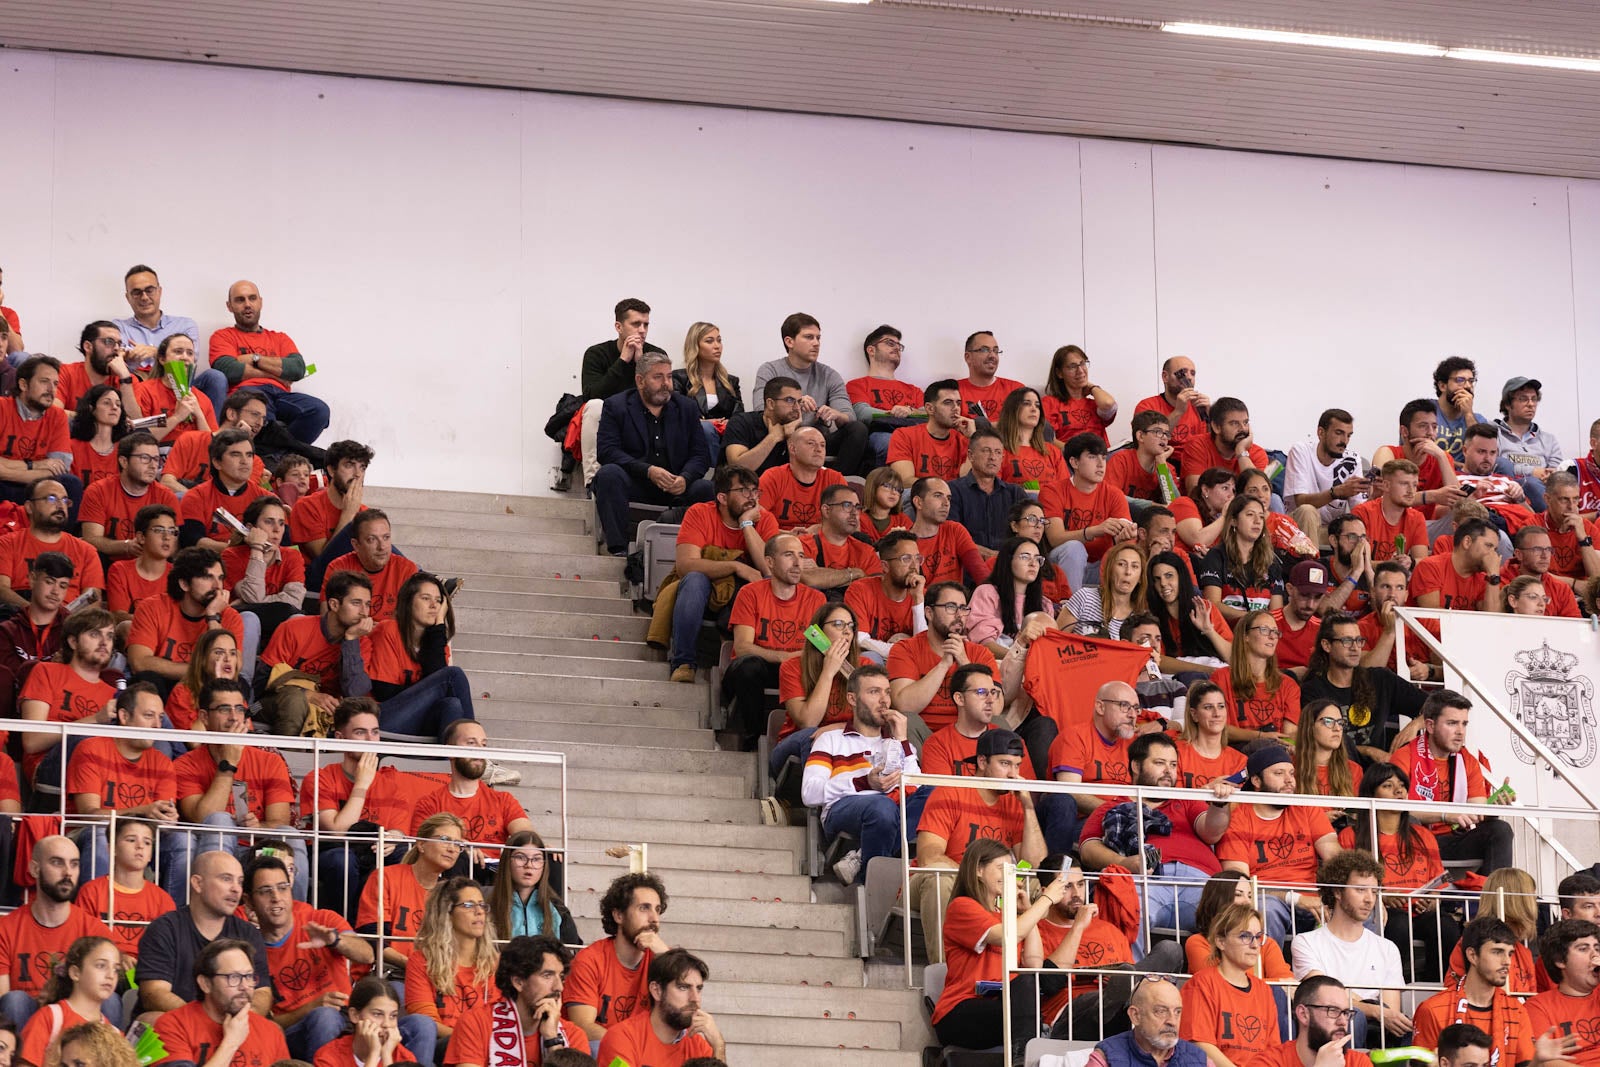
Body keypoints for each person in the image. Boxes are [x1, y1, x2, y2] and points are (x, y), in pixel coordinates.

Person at [1078, 731, 1236, 936]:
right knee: (1125, 909)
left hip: (1199, 881)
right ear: (1136, 766)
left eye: (1172, 764)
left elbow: (1211, 832)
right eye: (1160, 763)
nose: (1168, 771)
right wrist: (1125, 863)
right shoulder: (1111, 807)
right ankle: (1131, 968)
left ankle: (1216, 970)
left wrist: (1219, 805)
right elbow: (1088, 849)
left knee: (1231, 922)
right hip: (1146, 881)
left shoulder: (1186, 799)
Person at [911, 729, 1045, 962]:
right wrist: (977, 880)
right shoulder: (950, 791)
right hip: (938, 882)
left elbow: (1034, 863)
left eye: (1017, 765)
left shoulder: (1013, 802)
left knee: (1041, 885)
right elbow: (928, 857)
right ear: (982, 761)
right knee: (939, 878)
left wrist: (1028, 806)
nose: (1014, 774)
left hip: (992, 885)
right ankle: (946, 973)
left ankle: (1036, 975)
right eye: (1005, 764)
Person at [171, 679, 305, 902]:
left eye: (240, 709)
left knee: (290, 836)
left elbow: (280, 821)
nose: (234, 717)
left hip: (259, 855)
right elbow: (202, 818)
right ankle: (213, 911)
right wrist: (228, 765)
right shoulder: (185, 764)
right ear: (204, 717)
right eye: (224, 709)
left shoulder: (270, 761)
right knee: (220, 821)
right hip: (208, 853)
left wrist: (258, 826)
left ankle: (295, 918)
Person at [1034, 859, 1184, 1042]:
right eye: (1066, 887)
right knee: (1112, 989)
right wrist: (1078, 926)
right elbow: (1048, 984)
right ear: (1046, 892)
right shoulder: (1037, 930)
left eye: (1081, 884)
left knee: (1170, 950)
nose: (1077, 894)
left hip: (1124, 1011)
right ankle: (1117, 994)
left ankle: (1121, 994)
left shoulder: (1108, 930)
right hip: (1071, 1014)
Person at [927, 838, 1055, 1052]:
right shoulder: (962, 906)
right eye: (1001, 868)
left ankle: (1026, 1051)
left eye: (1011, 869)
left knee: (1027, 985)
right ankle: (1025, 1055)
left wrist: (1024, 911)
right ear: (978, 870)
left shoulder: (1010, 917)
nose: (1008, 875)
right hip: (960, 1009)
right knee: (1026, 1017)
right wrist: (1046, 899)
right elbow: (1006, 937)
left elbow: (1034, 962)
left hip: (1001, 1005)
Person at [244, 854, 376, 1060]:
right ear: (249, 902)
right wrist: (311, 1008)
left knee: (415, 1026)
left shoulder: (320, 919)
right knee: (324, 1017)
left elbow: (367, 955)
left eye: (282, 887)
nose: (276, 897)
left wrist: (335, 940)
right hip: (294, 1032)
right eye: (265, 891)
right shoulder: (248, 953)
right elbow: (268, 1024)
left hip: (349, 1020)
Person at [801, 664, 919, 885]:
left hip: (891, 807)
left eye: (887, 692)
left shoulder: (901, 744)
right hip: (843, 808)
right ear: (852, 699)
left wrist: (902, 740)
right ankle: (872, 884)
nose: (884, 700)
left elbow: (917, 789)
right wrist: (864, 782)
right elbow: (809, 793)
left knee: (936, 793)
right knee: (881, 807)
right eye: (874, 692)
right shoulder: (831, 739)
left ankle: (862, 859)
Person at [302, 695, 420, 915]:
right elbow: (337, 832)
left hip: (374, 852)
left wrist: (393, 838)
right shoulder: (319, 777)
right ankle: (342, 927)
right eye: (360, 732)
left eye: (374, 732)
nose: (370, 740)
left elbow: (398, 830)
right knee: (342, 859)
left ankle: (388, 930)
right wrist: (362, 784)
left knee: (404, 855)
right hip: (332, 852)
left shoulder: (392, 781)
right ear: (340, 737)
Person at [1339, 763, 1455, 983]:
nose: (1399, 791)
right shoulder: (1351, 836)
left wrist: (1431, 901)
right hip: (1380, 914)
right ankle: (1398, 985)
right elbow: (1345, 886)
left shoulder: (1422, 835)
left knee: (1445, 925)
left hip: (1419, 912)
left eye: (1402, 785)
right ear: (1370, 794)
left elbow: (1437, 886)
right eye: (1388, 785)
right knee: (1399, 923)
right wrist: (1381, 898)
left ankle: (1437, 987)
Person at [593, 351, 715, 555]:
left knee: (704, 487)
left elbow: (700, 455)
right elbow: (607, 451)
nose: (666, 383)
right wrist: (648, 471)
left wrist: (685, 478)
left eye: (669, 377)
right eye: (658, 377)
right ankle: (619, 551)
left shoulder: (686, 407)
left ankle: (697, 552)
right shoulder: (616, 406)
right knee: (608, 475)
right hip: (636, 482)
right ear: (640, 381)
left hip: (676, 486)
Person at [1217, 745, 1339, 946]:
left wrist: (1358, 890)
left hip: (1314, 903)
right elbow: (1240, 885)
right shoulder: (1238, 819)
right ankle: (1264, 975)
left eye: (1291, 773)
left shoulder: (1306, 808)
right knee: (1267, 909)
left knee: (1359, 907)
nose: (1289, 780)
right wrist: (1294, 898)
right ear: (1256, 780)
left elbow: (1335, 855)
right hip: (1269, 900)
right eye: (1279, 773)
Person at [665, 465, 777, 683]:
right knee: (694, 580)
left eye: (755, 491)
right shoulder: (700, 513)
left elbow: (769, 569)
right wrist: (736, 567)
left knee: (765, 585)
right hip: (707, 591)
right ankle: (684, 662)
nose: (752, 497)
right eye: (743, 491)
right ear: (722, 498)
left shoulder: (765, 519)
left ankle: (743, 668)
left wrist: (746, 524)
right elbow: (686, 565)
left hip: (744, 594)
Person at [1290, 851, 1410, 1049]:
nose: (1369, 900)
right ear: (1337, 892)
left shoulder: (1387, 948)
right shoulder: (1306, 942)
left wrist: (1366, 1006)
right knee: (1353, 1018)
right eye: (1360, 890)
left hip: (1376, 1031)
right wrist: (1371, 1010)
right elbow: (1325, 999)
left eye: (1374, 892)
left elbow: (1390, 1011)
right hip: (1328, 1027)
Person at [65, 682, 182, 880]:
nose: (157, 726)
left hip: (141, 840)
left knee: (181, 840)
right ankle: (96, 907)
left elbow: (163, 820)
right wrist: (143, 811)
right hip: (88, 834)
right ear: (124, 717)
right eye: (148, 716)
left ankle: (173, 911)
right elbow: (89, 816)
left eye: (160, 718)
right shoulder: (91, 749)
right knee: (101, 835)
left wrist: (167, 818)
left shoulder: (162, 762)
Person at [1389, 690, 1514, 874]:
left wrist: (1492, 809)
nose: (1460, 732)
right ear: (1430, 726)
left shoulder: (1468, 760)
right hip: (1415, 840)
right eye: (1452, 723)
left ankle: (1493, 898)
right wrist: (1446, 815)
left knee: (1500, 829)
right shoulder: (1404, 756)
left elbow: (1475, 810)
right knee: (1410, 822)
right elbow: (1396, 809)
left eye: (1464, 724)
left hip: (1453, 840)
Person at [0, 838, 117, 1031]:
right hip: (25, 1022)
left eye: (74, 864)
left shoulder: (94, 932)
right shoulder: (6, 927)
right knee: (15, 1000)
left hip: (76, 1025)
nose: (68, 873)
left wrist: (57, 1001)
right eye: (57, 862)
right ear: (35, 869)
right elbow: (3, 1001)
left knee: (110, 999)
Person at [720, 533, 826, 744]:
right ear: (769, 562)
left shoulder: (815, 599)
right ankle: (754, 738)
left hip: (798, 670)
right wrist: (783, 657)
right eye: (789, 555)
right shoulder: (750, 593)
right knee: (748, 666)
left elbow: (822, 646)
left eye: (801, 555)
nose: (798, 563)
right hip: (762, 668)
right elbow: (742, 648)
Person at [208, 280, 329, 447]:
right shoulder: (223, 336)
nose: (247, 304)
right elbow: (228, 369)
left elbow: (298, 369)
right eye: (240, 300)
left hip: (281, 395)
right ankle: (277, 455)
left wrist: (254, 359)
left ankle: (283, 456)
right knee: (263, 420)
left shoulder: (280, 338)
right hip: (248, 393)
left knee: (319, 410)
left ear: (261, 302)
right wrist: (278, 373)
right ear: (229, 306)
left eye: (252, 298)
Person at [1413, 919, 1549, 1066]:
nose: (1507, 962)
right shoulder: (1432, 1010)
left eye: (1510, 954)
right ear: (1472, 955)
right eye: (1497, 952)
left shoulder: (1517, 1010)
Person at [750, 313, 871, 476]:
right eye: (808, 337)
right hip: (785, 437)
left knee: (858, 429)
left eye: (818, 338)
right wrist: (794, 404)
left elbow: (849, 416)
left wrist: (835, 414)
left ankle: (836, 483)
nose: (816, 343)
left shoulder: (829, 374)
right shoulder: (770, 370)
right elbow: (761, 411)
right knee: (767, 432)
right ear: (789, 341)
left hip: (819, 439)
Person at [16, 607, 120, 793]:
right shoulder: (47, 672)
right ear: (73, 642)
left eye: (110, 636)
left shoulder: (113, 694)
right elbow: (32, 741)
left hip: (101, 776)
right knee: (87, 737)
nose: (105, 642)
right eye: (95, 634)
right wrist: (95, 720)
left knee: (147, 705)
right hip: (50, 768)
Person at [1301, 613, 1426, 765]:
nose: (1355, 648)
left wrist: (1415, 725)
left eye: (1358, 641)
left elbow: (1442, 703)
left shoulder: (1380, 679)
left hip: (1377, 778)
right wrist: (1367, 751)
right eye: (1347, 641)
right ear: (1327, 645)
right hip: (1336, 771)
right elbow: (1316, 741)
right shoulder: (1312, 690)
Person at [887, 581, 1005, 742]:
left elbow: (996, 709)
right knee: (907, 721)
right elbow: (904, 706)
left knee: (999, 724)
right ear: (929, 612)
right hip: (924, 736)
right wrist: (943, 665)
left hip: (969, 735)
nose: (959, 615)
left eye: (963, 608)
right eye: (951, 607)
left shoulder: (980, 653)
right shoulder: (905, 649)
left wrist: (964, 662)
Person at [365, 571, 477, 741]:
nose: (434, 605)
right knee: (453, 675)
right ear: (409, 602)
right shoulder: (388, 630)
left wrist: (439, 624)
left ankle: (458, 763)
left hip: (416, 722)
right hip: (381, 719)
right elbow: (383, 692)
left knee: (451, 705)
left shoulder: (437, 643)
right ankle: (475, 752)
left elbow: (440, 688)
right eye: (426, 598)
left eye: (439, 601)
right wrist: (427, 692)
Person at [410, 719, 535, 870]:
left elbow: (525, 835)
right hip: (452, 874)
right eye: (471, 743)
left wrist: (537, 847)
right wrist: (461, 848)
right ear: (450, 750)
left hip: (495, 875)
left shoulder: (503, 800)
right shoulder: (429, 804)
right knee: (459, 856)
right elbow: (421, 849)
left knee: (549, 859)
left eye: (483, 744)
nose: (479, 751)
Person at [562, 872, 670, 1041]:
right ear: (618, 915)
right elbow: (583, 1027)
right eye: (644, 908)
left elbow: (681, 1008)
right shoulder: (589, 960)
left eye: (657, 910)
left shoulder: (661, 957)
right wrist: (630, 1051)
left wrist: (666, 956)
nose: (654, 919)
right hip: (605, 1056)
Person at [449, 936, 588, 1067]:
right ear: (518, 982)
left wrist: (553, 1041)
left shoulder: (573, 1035)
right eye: (547, 976)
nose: (559, 986)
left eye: (561, 977)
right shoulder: (475, 1023)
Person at [151, 938, 290, 1067]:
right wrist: (231, 1043)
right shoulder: (172, 1025)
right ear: (205, 983)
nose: (245, 986)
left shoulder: (270, 1032)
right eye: (233, 977)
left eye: (248, 976)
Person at [356, 812, 465, 970]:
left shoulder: (450, 893)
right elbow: (373, 939)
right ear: (421, 844)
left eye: (457, 844)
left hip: (435, 973)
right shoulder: (386, 877)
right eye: (444, 840)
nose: (452, 849)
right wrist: (413, 966)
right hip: (389, 971)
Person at [1178, 903, 1281, 1067]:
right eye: (1245, 936)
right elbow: (1199, 1044)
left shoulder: (1264, 991)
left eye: (1258, 937)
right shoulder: (1201, 984)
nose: (1255, 945)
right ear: (1221, 941)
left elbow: (1272, 1052)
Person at [113, 264, 227, 411]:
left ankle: (213, 434)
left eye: (149, 290)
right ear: (128, 297)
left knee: (215, 377)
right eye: (136, 292)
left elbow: (191, 359)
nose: (144, 297)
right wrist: (129, 355)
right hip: (138, 388)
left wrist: (154, 351)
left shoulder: (185, 324)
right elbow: (116, 356)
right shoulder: (118, 327)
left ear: (159, 292)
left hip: (180, 385)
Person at [127, 547, 246, 683]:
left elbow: (231, 668)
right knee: (147, 678)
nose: (217, 586)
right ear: (184, 584)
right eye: (207, 577)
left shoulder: (230, 617)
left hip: (207, 688)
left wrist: (213, 617)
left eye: (220, 578)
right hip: (165, 683)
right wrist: (201, 672)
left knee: (240, 685)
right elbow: (140, 662)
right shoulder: (152, 608)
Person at [404, 877, 499, 1045]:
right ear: (447, 913)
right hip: (444, 1044)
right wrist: (471, 1040)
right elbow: (427, 1024)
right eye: (469, 905)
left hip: (488, 1047)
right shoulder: (422, 961)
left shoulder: (496, 963)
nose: (479, 911)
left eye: (482, 905)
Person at [76, 817, 176, 973]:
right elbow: (83, 943)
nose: (140, 846)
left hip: (147, 971)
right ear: (112, 849)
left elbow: (167, 949)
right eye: (131, 840)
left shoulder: (163, 900)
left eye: (147, 842)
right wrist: (118, 957)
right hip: (101, 970)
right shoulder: (92, 891)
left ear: (151, 854)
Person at [772, 602, 862, 773]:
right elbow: (808, 722)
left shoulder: (864, 667)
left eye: (851, 626)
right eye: (838, 624)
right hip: (797, 742)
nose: (847, 631)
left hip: (847, 741)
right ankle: (819, 798)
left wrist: (836, 728)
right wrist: (828, 671)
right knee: (814, 735)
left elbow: (874, 721)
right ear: (818, 631)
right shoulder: (792, 667)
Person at [596, 949, 724, 1067]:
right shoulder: (621, 1038)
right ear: (656, 991)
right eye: (683, 987)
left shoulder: (700, 1046)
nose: (695, 998)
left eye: (699, 989)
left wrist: (718, 1047)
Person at [1042, 433, 1136, 592]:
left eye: (1104, 457)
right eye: (1092, 457)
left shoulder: (1114, 494)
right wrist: (1094, 531)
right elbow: (1055, 538)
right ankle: (1069, 610)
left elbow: (1126, 533)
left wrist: (1124, 537)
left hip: (1099, 566)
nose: (1101, 464)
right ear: (1074, 462)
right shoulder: (1052, 491)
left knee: (1127, 555)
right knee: (1074, 548)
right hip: (1059, 565)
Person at [223, 495, 306, 660]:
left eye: (281, 523)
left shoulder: (292, 556)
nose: (277, 529)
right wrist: (256, 550)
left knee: (298, 618)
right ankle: (243, 680)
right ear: (250, 528)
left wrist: (249, 602)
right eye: (269, 522)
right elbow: (253, 595)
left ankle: (283, 678)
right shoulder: (231, 555)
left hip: (278, 622)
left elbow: (294, 602)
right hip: (242, 622)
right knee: (250, 617)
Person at [16, 935, 118, 1067]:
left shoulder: (113, 1033)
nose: (110, 975)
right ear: (75, 973)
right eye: (101, 965)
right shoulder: (50, 1018)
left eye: (116, 969)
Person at [0, 480, 102, 609]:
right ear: (30, 507)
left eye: (65, 500)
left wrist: (63, 620)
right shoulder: (7, 543)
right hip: (20, 618)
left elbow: (93, 599)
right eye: (51, 498)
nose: (60, 506)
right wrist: (35, 614)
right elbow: (2, 589)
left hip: (69, 622)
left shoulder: (86, 551)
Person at [77, 430, 177, 562]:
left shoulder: (166, 496)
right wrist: (126, 546)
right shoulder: (98, 491)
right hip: (108, 562)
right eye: (145, 458)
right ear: (124, 462)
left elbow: (174, 543)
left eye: (156, 459)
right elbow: (91, 539)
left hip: (150, 562)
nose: (153, 466)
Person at [287, 439, 373, 585]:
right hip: (317, 581)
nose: (358, 474)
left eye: (362, 467)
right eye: (349, 465)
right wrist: (348, 514)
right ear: (332, 470)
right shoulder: (307, 506)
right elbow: (326, 560)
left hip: (356, 582)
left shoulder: (365, 512)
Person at [0, 357, 81, 510]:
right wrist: (35, 465)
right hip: (5, 484)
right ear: (23, 384)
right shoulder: (2, 408)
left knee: (70, 483)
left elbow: (58, 470)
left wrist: (6, 470)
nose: (51, 390)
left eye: (55, 384)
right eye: (44, 381)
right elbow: (48, 470)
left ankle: (59, 535)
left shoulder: (57, 416)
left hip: (37, 486)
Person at [1211, 609, 1300, 745]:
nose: (1272, 636)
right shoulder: (1221, 678)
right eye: (1264, 630)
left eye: (1275, 632)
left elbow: (1289, 734)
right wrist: (1260, 736)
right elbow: (1217, 728)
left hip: (1276, 755)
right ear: (1245, 636)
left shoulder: (1288, 685)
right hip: (1236, 753)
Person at [1182, 873, 1294, 980]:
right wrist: (1271, 984)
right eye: (1238, 894)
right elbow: (1216, 983)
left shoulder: (1265, 943)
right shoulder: (1198, 942)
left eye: (1250, 896)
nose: (1247, 902)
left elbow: (1287, 984)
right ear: (1217, 900)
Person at [158, 389, 269, 495]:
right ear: (231, 414)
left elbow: (238, 497)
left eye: (263, 418)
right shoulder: (191, 440)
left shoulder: (254, 462)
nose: (260, 423)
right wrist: (198, 500)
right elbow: (167, 482)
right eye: (255, 414)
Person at [1370, 400, 1466, 521]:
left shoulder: (1442, 457)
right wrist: (1432, 496)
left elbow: (1459, 504)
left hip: (1426, 526)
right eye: (1423, 426)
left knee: (1465, 518)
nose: (1430, 433)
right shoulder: (1387, 453)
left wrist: (1441, 456)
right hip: (1390, 522)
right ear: (1404, 431)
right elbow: (1385, 498)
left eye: (1434, 427)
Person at [1251, 976, 1376, 1067]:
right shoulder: (1269, 1062)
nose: (1343, 1021)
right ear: (1303, 1014)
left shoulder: (1358, 1063)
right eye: (1332, 1010)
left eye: (1346, 1013)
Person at [1085, 975, 1207, 1067]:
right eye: (1161, 1011)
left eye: (1177, 1012)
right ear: (1135, 1015)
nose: (1172, 1021)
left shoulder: (1200, 1059)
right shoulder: (1107, 1057)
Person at [177, 429, 268, 551]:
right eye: (236, 455)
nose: (245, 461)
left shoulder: (267, 499)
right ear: (217, 462)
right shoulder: (195, 497)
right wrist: (232, 548)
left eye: (249, 455)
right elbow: (192, 541)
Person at [1198, 496, 1284, 622]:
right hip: (1226, 633)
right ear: (1233, 521)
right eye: (1250, 515)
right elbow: (1213, 604)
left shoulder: (1271, 562)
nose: (1257, 521)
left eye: (1261, 516)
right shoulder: (1216, 557)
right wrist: (1251, 618)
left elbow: (1276, 613)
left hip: (1261, 634)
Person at [321, 509, 418, 623]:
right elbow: (327, 620)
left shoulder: (407, 569)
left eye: (386, 537)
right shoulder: (338, 568)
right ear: (356, 545)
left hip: (390, 638)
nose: (382, 547)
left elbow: (411, 624)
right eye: (372, 539)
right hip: (350, 637)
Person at [1526, 920, 1600, 1065]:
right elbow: (1547, 1062)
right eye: (1583, 949)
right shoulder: (1538, 1006)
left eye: (1597, 948)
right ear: (1560, 960)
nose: (1594, 956)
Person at [844, 529, 924, 662]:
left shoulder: (921, 593)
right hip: (876, 662)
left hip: (910, 663)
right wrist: (901, 650)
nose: (914, 566)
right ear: (885, 566)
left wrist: (918, 600)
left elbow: (923, 647)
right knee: (870, 658)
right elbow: (859, 639)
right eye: (906, 559)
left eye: (917, 558)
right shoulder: (860, 590)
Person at [1284, 408, 1370, 531]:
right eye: (1339, 433)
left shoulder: (1352, 460)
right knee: (1307, 511)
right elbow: (1301, 502)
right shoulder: (1301, 451)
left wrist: (1374, 498)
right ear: (1321, 433)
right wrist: (1336, 492)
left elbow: (1359, 510)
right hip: (1298, 528)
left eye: (1348, 435)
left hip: (1332, 530)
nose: (1344, 441)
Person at [967, 536, 1055, 656]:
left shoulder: (1045, 605)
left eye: (1038, 559)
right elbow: (983, 644)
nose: (1033, 563)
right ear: (1008, 561)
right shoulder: (987, 593)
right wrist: (1018, 659)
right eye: (1025, 557)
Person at [1146, 552, 1232, 672]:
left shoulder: (1203, 608)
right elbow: (1155, 660)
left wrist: (1209, 631)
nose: (1163, 584)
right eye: (1157, 579)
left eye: (1169, 575)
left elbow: (1233, 657)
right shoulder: (1150, 616)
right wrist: (1206, 671)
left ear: (1181, 577)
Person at [847, 326, 922, 465]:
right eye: (890, 343)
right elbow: (863, 413)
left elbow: (930, 414)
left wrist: (909, 410)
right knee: (889, 442)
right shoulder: (857, 385)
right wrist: (896, 413)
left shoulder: (914, 390)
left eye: (899, 345)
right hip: (881, 435)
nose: (897, 348)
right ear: (871, 350)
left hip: (915, 436)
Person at [488, 833, 580, 944]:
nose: (529, 865)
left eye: (536, 859)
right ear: (507, 861)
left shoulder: (558, 909)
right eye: (520, 857)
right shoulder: (488, 906)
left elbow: (572, 954)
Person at [132, 335, 220, 447]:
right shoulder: (144, 390)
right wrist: (177, 417)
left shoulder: (202, 399)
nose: (185, 357)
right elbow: (139, 440)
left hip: (192, 459)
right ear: (162, 359)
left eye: (190, 353)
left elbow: (211, 448)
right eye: (178, 352)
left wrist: (199, 415)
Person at [948, 429, 1027, 551]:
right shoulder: (952, 491)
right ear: (970, 455)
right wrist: (988, 556)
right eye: (986, 451)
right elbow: (951, 537)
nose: (993, 457)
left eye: (997, 452)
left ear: (1002, 458)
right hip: (967, 561)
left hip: (1009, 563)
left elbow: (1028, 535)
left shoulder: (1015, 493)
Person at [909, 476, 993, 590]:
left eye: (948, 498)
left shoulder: (955, 530)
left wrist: (991, 595)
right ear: (918, 502)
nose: (946, 503)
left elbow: (979, 571)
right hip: (922, 605)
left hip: (957, 605)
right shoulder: (905, 543)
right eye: (938, 496)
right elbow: (910, 592)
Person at [310, 978, 416, 1067]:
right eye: (377, 1014)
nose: (387, 1024)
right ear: (354, 1015)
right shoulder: (328, 1056)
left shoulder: (404, 1058)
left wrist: (386, 1056)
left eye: (393, 1016)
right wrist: (374, 1054)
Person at [1410, 519, 1511, 612]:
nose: (1493, 555)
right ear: (1467, 542)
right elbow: (1432, 618)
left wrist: (1493, 576)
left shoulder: (1485, 578)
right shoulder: (1430, 567)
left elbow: (1492, 621)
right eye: (1488, 546)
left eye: (1495, 549)